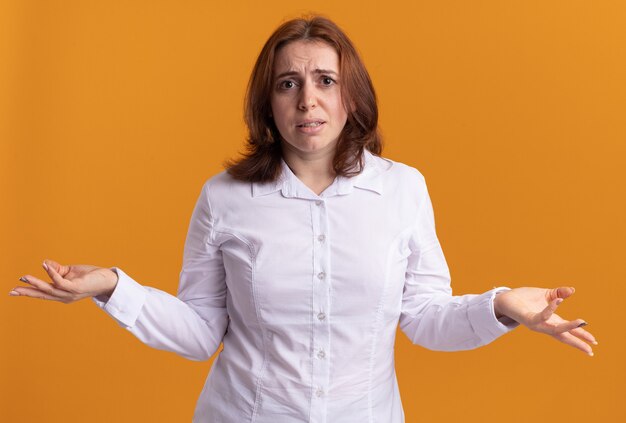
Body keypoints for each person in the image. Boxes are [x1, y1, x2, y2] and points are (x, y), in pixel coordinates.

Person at [11, 15, 597, 423]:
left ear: (352, 96)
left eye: (325, 81)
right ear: (268, 101)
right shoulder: (224, 197)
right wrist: (113, 287)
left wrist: (500, 306)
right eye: (288, 84)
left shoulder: (402, 189)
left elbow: (424, 318)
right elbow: (198, 333)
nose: (307, 101)